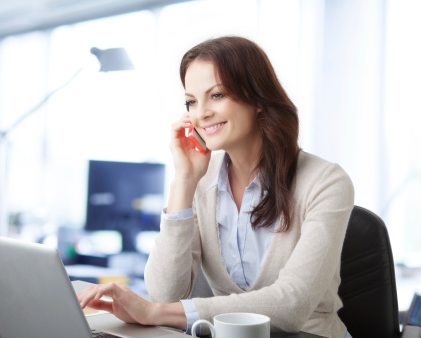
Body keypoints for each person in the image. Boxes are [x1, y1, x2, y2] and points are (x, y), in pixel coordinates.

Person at [78, 36, 354, 338]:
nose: (201, 113)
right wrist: (184, 180)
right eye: (191, 101)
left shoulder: (326, 182)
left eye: (217, 95)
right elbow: (166, 294)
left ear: (258, 99)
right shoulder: (202, 179)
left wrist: (156, 313)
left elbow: (292, 306)